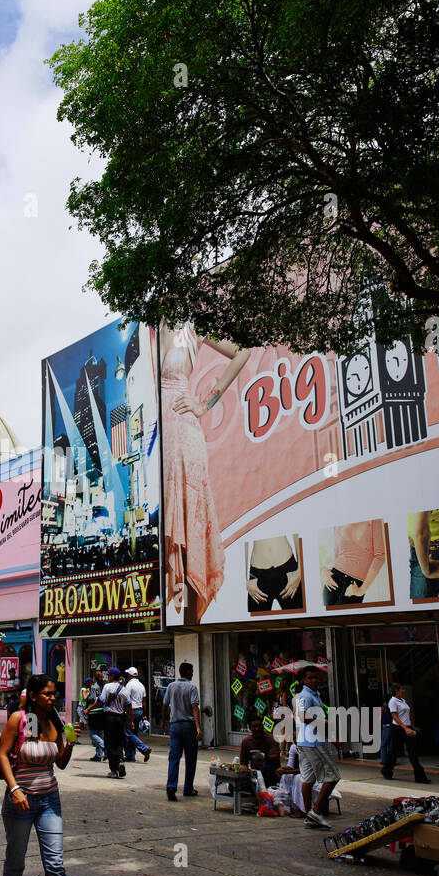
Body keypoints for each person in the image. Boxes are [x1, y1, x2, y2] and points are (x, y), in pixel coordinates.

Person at [0, 674, 92, 876]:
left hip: (50, 800)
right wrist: (14, 788)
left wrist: (70, 744)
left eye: (55, 694)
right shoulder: (19, 719)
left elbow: (59, 763)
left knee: (56, 864)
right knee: (16, 860)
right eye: (48, 694)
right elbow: (2, 754)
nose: (53, 698)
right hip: (21, 801)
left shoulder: (55, 722)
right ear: (34, 694)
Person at [160, 322, 251, 620]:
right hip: (151, 438)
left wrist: (204, 403)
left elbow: (242, 352)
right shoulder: (141, 329)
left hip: (182, 434)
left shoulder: (191, 327)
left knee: (186, 532)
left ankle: (189, 622)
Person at [293, 665, 339, 828]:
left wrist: (332, 738)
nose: (314, 680)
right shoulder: (304, 695)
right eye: (310, 678)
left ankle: (309, 815)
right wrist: (325, 723)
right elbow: (302, 716)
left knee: (308, 778)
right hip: (313, 742)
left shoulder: (314, 695)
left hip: (307, 741)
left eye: (316, 678)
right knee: (332, 776)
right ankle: (315, 812)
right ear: (303, 680)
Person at [322, 520, 387, 606]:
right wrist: (325, 573)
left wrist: (361, 591)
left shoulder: (373, 521)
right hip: (333, 579)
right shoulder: (342, 519)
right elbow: (338, 555)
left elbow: (380, 556)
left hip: (353, 586)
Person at [163, 661, 201, 800]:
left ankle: (171, 786)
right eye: (191, 671)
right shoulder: (191, 688)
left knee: (174, 757)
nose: (192, 673)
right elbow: (194, 707)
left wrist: (163, 722)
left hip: (175, 726)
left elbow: (164, 704)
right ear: (186, 672)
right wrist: (198, 727)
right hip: (188, 726)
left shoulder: (171, 686)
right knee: (190, 758)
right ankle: (188, 788)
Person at [386, 682, 430, 783]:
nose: (403, 691)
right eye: (402, 689)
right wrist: (405, 728)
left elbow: (405, 716)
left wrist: (412, 726)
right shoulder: (393, 701)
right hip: (398, 728)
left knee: (413, 752)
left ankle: (420, 777)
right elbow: (395, 716)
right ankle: (387, 770)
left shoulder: (403, 701)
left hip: (407, 727)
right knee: (394, 751)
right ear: (396, 691)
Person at [246, 535, 303, 613]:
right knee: (256, 624)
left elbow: (298, 531)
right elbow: (241, 538)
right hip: (257, 577)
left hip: (289, 571)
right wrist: (245, 580)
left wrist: (299, 571)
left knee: (299, 619)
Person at [98, 667, 127, 778]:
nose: (108, 677)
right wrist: (130, 720)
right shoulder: (123, 689)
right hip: (120, 718)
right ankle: (120, 760)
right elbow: (128, 705)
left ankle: (114, 770)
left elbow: (101, 701)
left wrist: (89, 708)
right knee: (119, 741)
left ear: (112, 676)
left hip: (109, 718)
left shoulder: (107, 687)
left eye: (109, 675)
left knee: (109, 743)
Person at [120, 667, 151, 762]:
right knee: (133, 733)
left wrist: (124, 711)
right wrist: (144, 714)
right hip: (140, 710)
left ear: (130, 675)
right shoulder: (141, 685)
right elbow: (144, 701)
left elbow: (127, 700)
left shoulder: (129, 685)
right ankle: (130, 755)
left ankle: (144, 749)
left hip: (131, 711)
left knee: (128, 733)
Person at [239, 716, 280, 787]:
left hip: (271, 772)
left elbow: (276, 756)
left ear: (262, 726)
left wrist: (264, 756)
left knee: (266, 766)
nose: (257, 729)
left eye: (259, 726)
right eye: (254, 726)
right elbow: (243, 763)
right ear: (250, 728)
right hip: (255, 773)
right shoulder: (246, 741)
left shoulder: (271, 738)